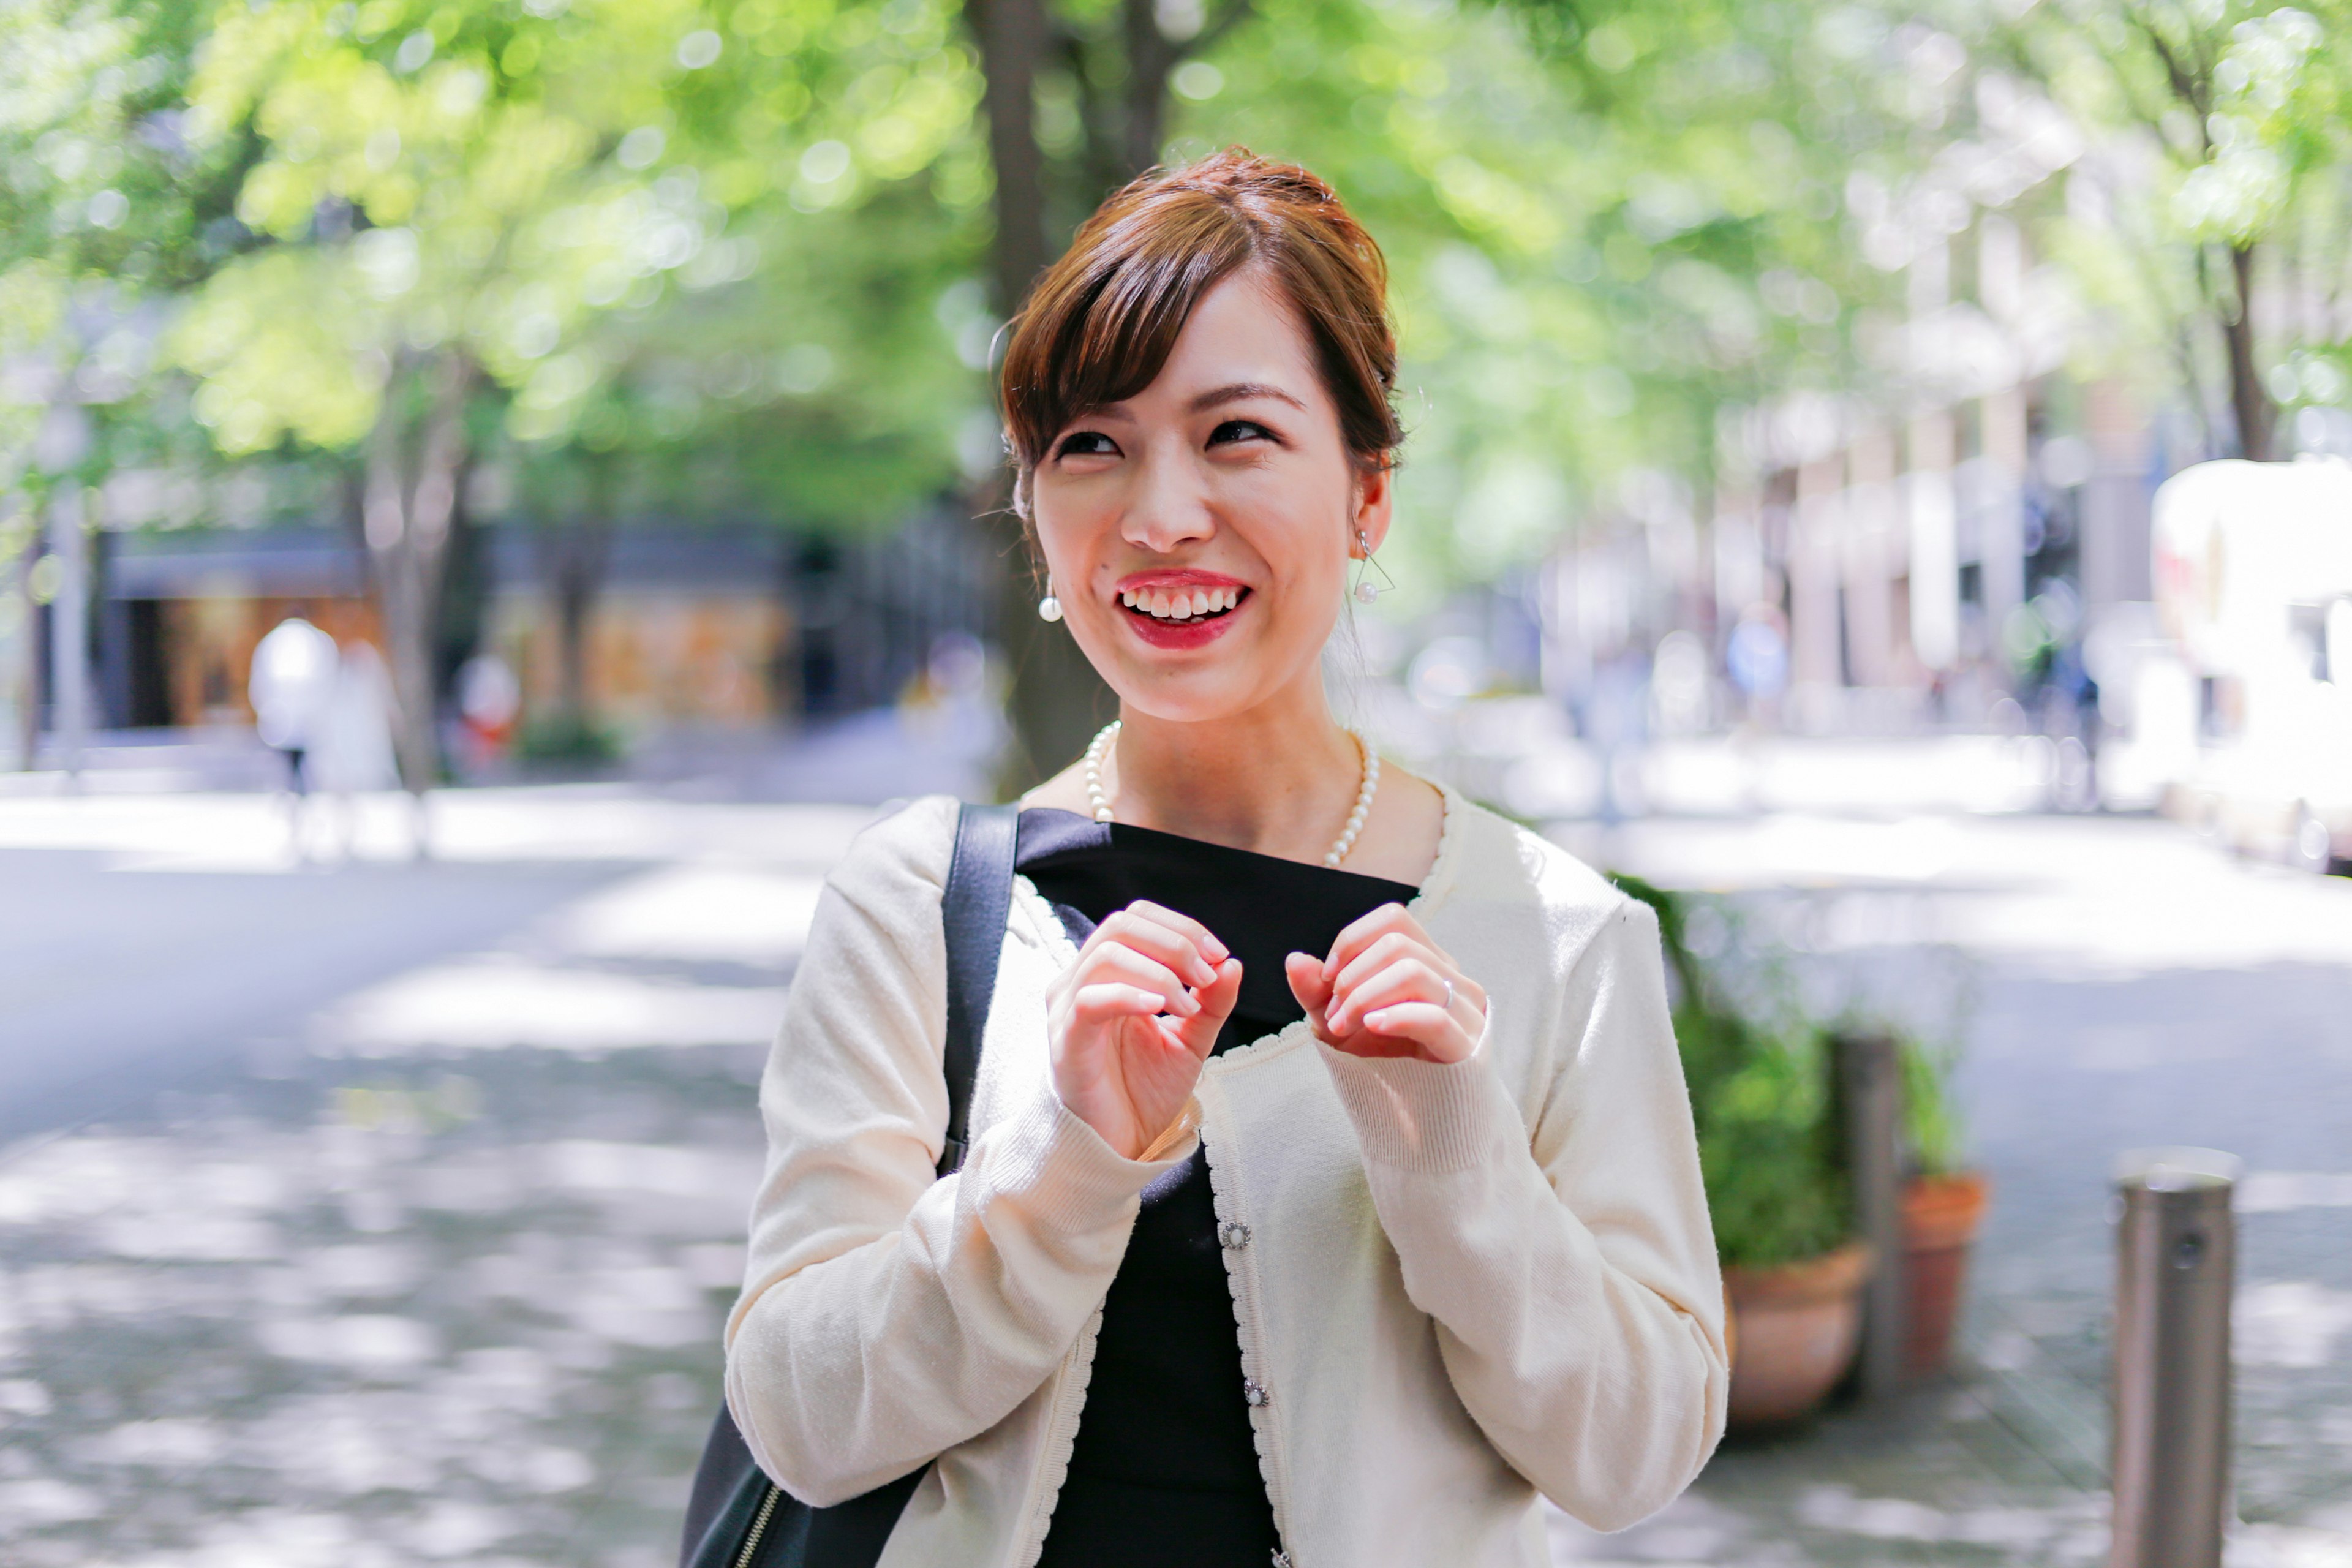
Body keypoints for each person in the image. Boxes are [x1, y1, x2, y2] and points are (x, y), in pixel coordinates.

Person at [724, 151, 1727, 1568]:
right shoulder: (923, 904)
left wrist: (1459, 1156)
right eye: (1091, 445)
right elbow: (799, 1418)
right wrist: (1065, 1157)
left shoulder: (1557, 934)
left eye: (1238, 433)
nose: (1162, 515)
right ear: (1033, 517)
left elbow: (1633, 1456)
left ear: (1367, 492)